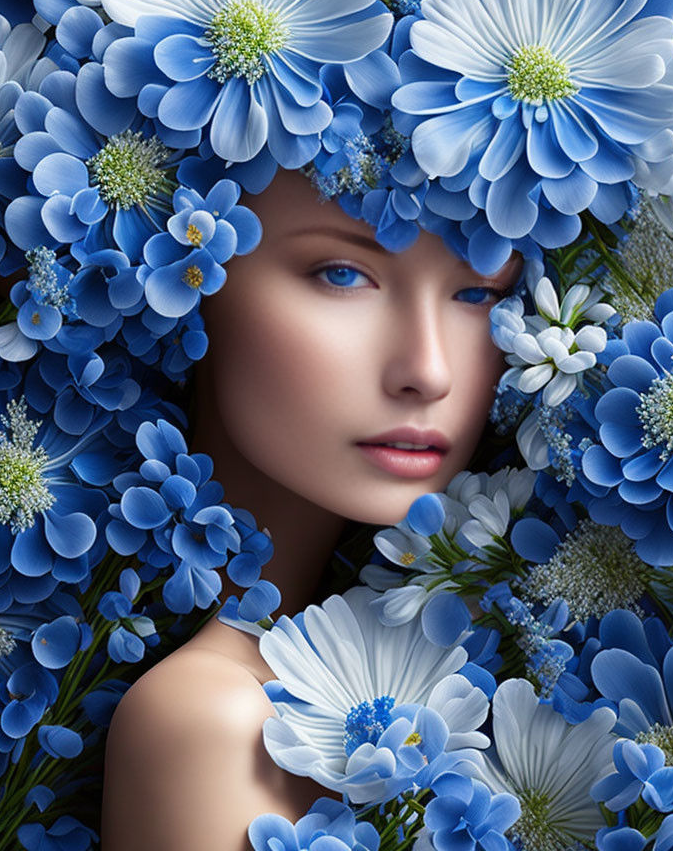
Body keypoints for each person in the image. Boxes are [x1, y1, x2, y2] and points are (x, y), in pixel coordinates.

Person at [100, 167, 521, 851]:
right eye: (342, 275)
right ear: (188, 277)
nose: (429, 369)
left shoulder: (465, 663)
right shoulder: (210, 722)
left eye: (477, 293)